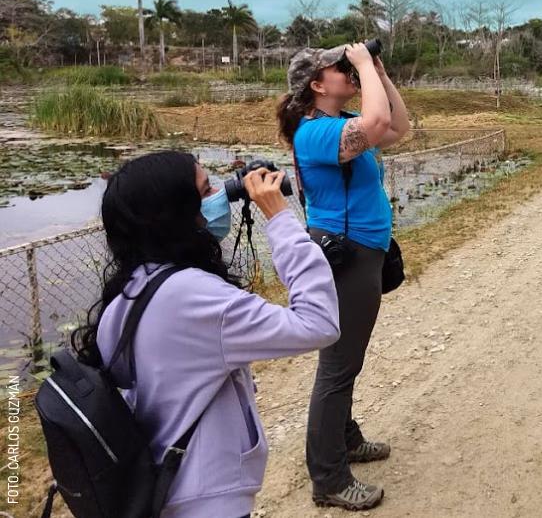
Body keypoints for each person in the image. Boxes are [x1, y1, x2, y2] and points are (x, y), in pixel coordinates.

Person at [71, 150, 341, 518]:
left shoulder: (130, 290)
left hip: (165, 486)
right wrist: (279, 219)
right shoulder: (192, 296)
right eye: (206, 189)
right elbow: (318, 324)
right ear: (177, 213)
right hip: (205, 499)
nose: (218, 196)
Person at [276, 42, 410, 510]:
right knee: (337, 367)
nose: (349, 74)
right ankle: (329, 477)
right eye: (339, 70)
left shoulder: (339, 125)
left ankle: (345, 438)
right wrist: (360, 65)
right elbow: (374, 124)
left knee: (346, 360)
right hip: (345, 259)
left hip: (363, 253)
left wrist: (376, 69)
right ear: (317, 85)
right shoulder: (313, 134)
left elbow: (398, 126)